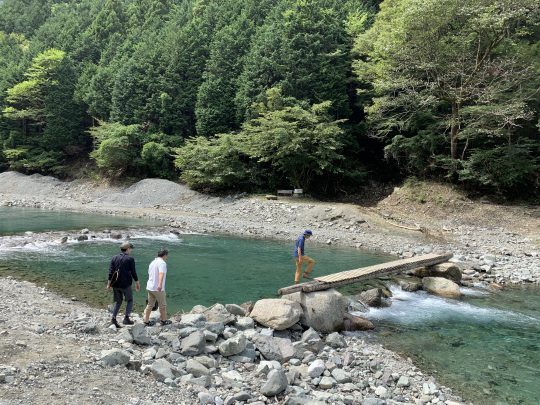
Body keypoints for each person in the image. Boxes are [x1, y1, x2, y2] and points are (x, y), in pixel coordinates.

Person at [107, 241, 140, 328]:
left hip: (115, 284)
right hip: (126, 285)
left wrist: (109, 284)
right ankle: (126, 318)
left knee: (118, 301)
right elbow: (133, 272)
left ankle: (113, 319)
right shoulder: (130, 259)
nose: (131, 251)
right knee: (129, 300)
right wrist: (137, 282)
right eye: (130, 249)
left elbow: (110, 272)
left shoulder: (114, 258)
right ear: (128, 249)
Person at [143, 248, 172, 326]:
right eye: (167, 255)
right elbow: (161, 273)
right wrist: (159, 285)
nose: (167, 257)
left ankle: (146, 320)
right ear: (165, 255)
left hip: (150, 287)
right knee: (162, 305)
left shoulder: (152, 262)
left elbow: (150, 273)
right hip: (157, 288)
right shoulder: (162, 263)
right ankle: (163, 320)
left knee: (150, 304)